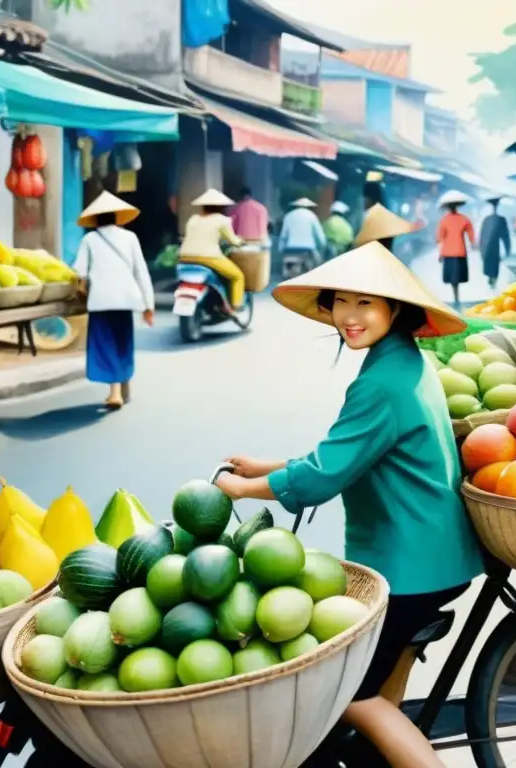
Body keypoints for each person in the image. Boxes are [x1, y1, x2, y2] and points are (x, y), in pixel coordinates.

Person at [215, 241, 483, 768]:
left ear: (395, 310)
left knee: (352, 696)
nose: (349, 317)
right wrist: (266, 467)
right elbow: (349, 453)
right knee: (378, 686)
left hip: (412, 563)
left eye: (366, 303)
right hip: (433, 552)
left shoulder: (382, 382)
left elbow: (322, 478)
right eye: (340, 302)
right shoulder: (406, 360)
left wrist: (241, 492)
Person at [74, 191, 154, 411]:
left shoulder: (89, 239)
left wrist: (83, 282)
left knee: (106, 344)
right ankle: (124, 384)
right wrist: (149, 305)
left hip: (101, 301)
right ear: (117, 217)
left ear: (95, 219)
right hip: (126, 300)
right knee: (123, 342)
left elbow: (79, 271)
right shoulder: (130, 238)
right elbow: (141, 272)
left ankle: (115, 393)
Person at [179, 188, 246, 309]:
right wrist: (241, 241)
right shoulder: (223, 220)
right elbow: (233, 241)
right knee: (237, 276)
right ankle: (236, 305)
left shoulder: (193, 219)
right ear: (220, 207)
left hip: (185, 257)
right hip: (209, 257)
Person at [436, 190, 475, 308]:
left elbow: (439, 238)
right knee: (457, 277)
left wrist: (440, 254)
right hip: (460, 252)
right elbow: (471, 233)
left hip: (448, 253)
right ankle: (456, 298)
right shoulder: (464, 218)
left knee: (453, 279)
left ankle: (456, 298)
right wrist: (473, 243)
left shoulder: (444, 220)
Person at [278, 197, 327, 270]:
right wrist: (322, 246)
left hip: (290, 250)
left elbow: (283, 236)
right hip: (308, 250)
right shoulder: (311, 216)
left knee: (289, 275)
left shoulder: (288, 216)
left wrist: (281, 249)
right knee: (315, 269)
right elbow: (320, 236)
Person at [479, 197, 511, 291]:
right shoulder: (500, 219)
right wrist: (507, 249)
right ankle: (493, 282)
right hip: (494, 247)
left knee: (490, 266)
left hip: (487, 247)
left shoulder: (487, 219)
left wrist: (481, 250)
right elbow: (505, 236)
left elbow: (482, 236)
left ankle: (492, 281)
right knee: (494, 266)